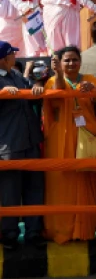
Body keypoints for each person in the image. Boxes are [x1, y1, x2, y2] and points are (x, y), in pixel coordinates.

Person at [36, 46, 96, 244]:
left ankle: (83, 230)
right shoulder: (51, 81)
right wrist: (57, 74)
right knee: (60, 184)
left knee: (84, 180)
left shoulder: (89, 79)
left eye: (74, 59)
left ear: (80, 61)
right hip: (60, 139)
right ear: (60, 63)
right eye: (67, 60)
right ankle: (60, 231)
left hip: (85, 137)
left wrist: (94, 92)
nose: (71, 63)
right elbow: (56, 98)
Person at [0, 40, 44, 249]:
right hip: (9, 144)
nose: (15, 57)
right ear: (4, 58)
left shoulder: (16, 75)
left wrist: (36, 87)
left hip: (30, 140)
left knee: (34, 187)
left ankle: (33, 232)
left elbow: (31, 91)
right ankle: (9, 233)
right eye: (12, 54)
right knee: (10, 191)